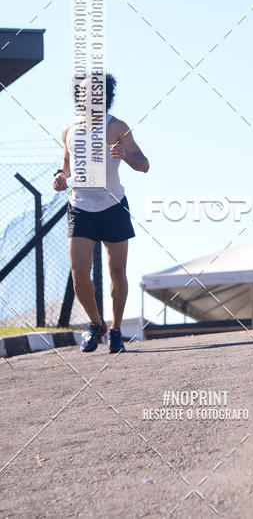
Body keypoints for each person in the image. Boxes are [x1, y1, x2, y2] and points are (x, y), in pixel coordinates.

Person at [53, 74, 149, 354]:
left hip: (113, 206)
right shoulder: (68, 129)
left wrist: (124, 155)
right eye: (82, 93)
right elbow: (66, 164)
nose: (87, 97)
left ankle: (117, 329)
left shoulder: (117, 127)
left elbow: (144, 165)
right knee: (79, 273)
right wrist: (60, 176)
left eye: (94, 92)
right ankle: (96, 325)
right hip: (81, 207)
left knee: (117, 270)